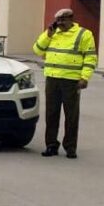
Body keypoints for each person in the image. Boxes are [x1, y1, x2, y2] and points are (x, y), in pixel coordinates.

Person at [33, 8, 97, 159]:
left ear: (71, 19)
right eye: (58, 21)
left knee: (71, 116)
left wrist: (85, 77)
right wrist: (48, 35)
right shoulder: (51, 33)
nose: (60, 23)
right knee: (51, 114)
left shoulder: (84, 34)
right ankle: (51, 145)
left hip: (72, 81)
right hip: (52, 79)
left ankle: (70, 147)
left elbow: (90, 58)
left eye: (63, 20)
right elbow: (37, 50)